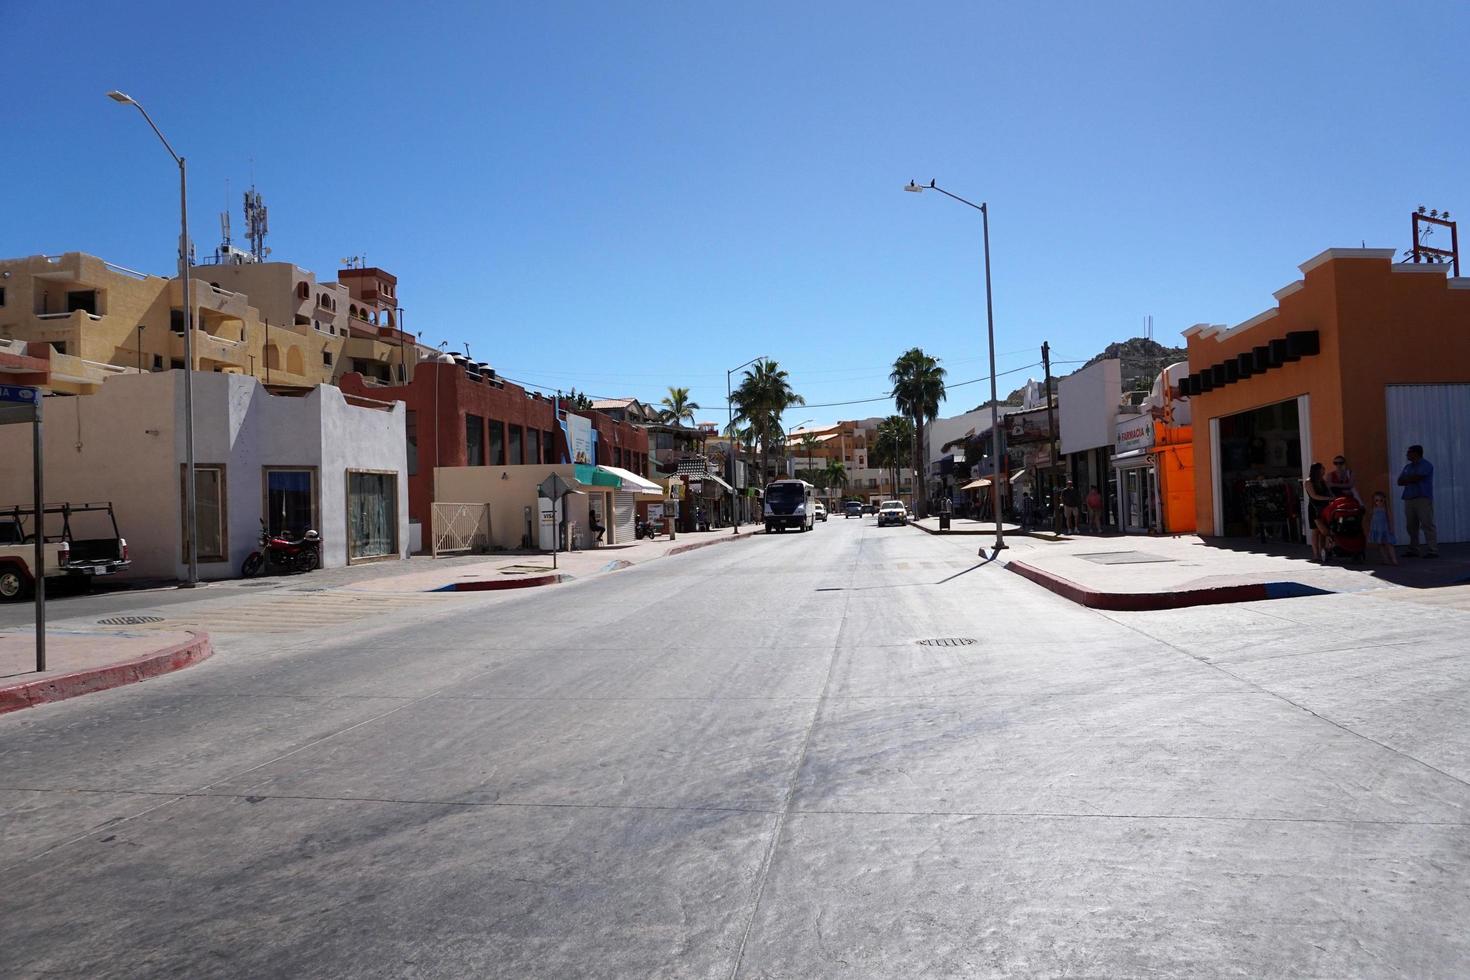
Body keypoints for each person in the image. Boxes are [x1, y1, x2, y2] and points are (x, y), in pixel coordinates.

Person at [1397, 444, 1438, 557]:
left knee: (1427, 524)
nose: (1407, 454)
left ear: (1416, 453)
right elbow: (1399, 481)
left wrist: (1408, 479)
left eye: (1409, 452)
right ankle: (1414, 549)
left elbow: (1417, 477)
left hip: (1422, 498)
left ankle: (1432, 550)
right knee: (1411, 526)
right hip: (1409, 498)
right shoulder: (1407, 467)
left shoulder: (1426, 465)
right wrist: (1410, 479)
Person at [1303, 462, 1332, 562]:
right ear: (1317, 470)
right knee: (1316, 531)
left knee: (1322, 533)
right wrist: (1328, 498)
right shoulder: (1309, 482)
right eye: (1322, 468)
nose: (1324, 470)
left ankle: (1323, 552)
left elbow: (1328, 491)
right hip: (1315, 508)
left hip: (1324, 508)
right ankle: (1316, 554)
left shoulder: (1322, 481)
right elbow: (1313, 495)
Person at [1367, 491, 1399, 566]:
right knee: (1380, 544)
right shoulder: (1373, 508)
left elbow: (1390, 518)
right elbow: (1370, 518)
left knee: (1389, 544)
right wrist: (1371, 528)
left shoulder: (1386, 508)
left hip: (1385, 529)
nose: (1379, 502)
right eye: (1376, 500)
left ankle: (1394, 560)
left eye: (1381, 500)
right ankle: (1385, 560)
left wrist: (1391, 527)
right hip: (1377, 529)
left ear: (1384, 500)